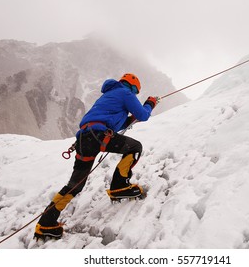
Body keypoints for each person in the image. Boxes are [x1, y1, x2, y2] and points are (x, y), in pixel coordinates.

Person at [34, 73, 159, 240]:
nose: (134, 95)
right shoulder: (125, 93)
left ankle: (45, 224)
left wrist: (132, 118)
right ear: (132, 87)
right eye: (135, 91)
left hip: (85, 139)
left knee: (75, 184)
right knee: (135, 148)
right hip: (99, 136)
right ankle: (119, 187)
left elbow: (120, 123)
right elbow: (143, 115)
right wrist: (150, 104)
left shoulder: (108, 95)